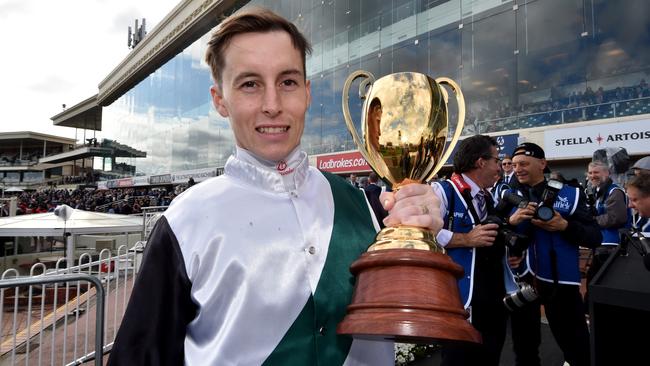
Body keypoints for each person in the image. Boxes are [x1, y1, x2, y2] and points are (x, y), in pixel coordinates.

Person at [107, 7, 443, 366]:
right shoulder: (183, 222)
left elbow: (418, 323)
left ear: (307, 92)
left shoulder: (370, 207)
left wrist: (423, 239)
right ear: (219, 100)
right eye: (250, 84)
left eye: (287, 82)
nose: (273, 105)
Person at [509, 142, 601, 366]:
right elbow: (497, 234)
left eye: (523, 163)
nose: (517, 169)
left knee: (577, 347)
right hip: (522, 282)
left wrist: (564, 226)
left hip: (560, 283)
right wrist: (510, 227)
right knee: (524, 349)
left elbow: (594, 237)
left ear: (542, 164)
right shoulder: (508, 195)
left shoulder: (570, 194)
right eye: (514, 165)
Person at [431, 134, 518, 366]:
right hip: (460, 298)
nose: (500, 167)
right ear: (481, 162)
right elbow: (425, 234)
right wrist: (465, 239)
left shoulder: (487, 196)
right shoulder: (442, 190)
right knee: (458, 359)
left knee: (491, 356)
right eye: (497, 160)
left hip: (493, 297)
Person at [585, 161, 631, 288]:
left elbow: (616, 218)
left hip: (612, 245)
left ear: (607, 173)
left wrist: (591, 221)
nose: (592, 175)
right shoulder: (596, 190)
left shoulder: (614, 191)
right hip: (601, 243)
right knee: (596, 283)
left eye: (596, 172)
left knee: (597, 283)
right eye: (590, 172)